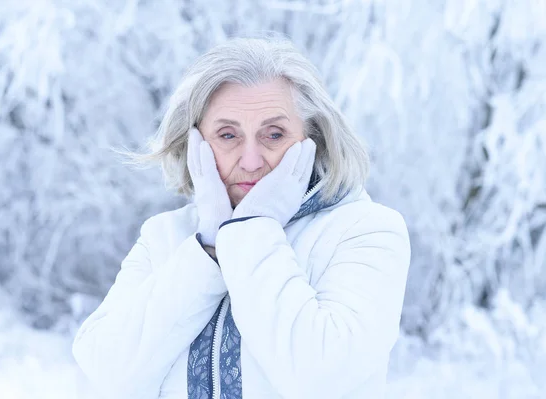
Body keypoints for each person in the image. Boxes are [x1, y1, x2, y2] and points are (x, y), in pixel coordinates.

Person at [72, 36, 411, 399]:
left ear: (313, 139)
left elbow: (320, 378)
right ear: (196, 144)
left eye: (274, 134)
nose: (251, 160)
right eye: (228, 134)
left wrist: (251, 232)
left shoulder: (365, 232)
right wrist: (209, 250)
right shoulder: (164, 238)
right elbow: (105, 373)